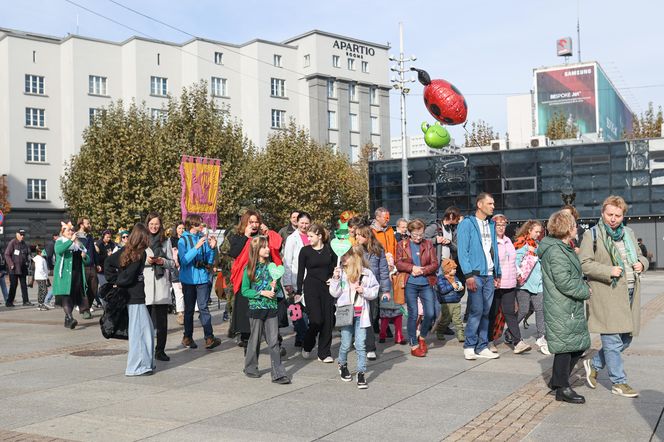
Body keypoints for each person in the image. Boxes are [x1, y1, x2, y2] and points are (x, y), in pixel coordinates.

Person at [580, 195, 649, 398]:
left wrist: (642, 263)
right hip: (607, 293)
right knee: (611, 340)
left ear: (623, 216)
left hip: (629, 293)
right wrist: (608, 270)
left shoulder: (628, 232)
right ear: (603, 213)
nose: (613, 219)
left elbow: (641, 255)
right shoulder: (592, 235)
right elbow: (584, 263)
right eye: (609, 214)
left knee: (625, 339)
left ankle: (594, 364)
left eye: (617, 215)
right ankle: (619, 382)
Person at [539, 210, 590, 404]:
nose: (577, 228)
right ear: (567, 228)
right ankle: (562, 388)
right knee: (566, 347)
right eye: (574, 225)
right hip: (562, 305)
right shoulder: (556, 251)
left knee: (575, 346)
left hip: (567, 305)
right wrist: (585, 290)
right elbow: (564, 281)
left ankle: (557, 381)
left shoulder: (562, 247)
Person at [457, 192, 502, 360]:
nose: (493, 206)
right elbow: (463, 251)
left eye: (493, 203)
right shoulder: (467, 224)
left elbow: (494, 250)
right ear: (480, 204)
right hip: (475, 275)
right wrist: (468, 274)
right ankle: (469, 345)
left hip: (489, 275)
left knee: (486, 312)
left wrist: (498, 272)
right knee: (476, 310)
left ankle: (482, 346)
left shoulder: (491, 224)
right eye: (490, 203)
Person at [105, 224, 155, 376]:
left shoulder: (127, 250)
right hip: (135, 297)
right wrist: (118, 280)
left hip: (132, 296)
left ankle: (143, 364)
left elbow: (109, 263)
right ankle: (137, 367)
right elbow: (129, 275)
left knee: (144, 331)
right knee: (141, 333)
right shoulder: (139, 253)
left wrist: (115, 280)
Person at [229, 210, 283, 347]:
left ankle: (275, 341)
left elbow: (277, 247)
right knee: (246, 311)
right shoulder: (237, 236)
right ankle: (247, 340)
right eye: (251, 222)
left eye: (256, 222)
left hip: (264, 277)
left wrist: (268, 232)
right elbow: (234, 253)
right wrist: (246, 236)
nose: (254, 224)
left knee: (268, 308)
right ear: (245, 223)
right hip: (245, 278)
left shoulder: (263, 236)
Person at [241, 236, 291, 384]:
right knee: (254, 340)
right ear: (256, 250)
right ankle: (250, 367)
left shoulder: (272, 267)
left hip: (271, 308)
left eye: (268, 246)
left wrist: (274, 286)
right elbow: (245, 290)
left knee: (274, 341)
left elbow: (275, 289)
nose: (267, 249)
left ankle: (278, 373)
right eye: (264, 247)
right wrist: (261, 293)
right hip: (256, 308)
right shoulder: (249, 268)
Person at [329, 245, 380, 389]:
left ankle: (361, 373)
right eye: (343, 255)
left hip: (361, 315)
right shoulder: (341, 273)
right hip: (346, 313)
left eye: (347, 255)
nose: (343, 258)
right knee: (345, 344)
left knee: (360, 344)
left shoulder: (367, 274)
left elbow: (374, 292)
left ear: (355, 257)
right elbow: (334, 293)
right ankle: (342, 364)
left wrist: (363, 290)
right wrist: (335, 278)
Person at [178, 213, 221, 350]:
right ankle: (187, 337)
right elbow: (184, 261)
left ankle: (209, 337)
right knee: (189, 309)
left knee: (203, 307)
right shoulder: (182, 241)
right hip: (188, 279)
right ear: (192, 225)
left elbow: (209, 260)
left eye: (202, 224)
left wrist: (213, 248)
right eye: (199, 224)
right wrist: (196, 247)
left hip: (202, 277)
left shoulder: (203, 239)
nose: (202, 226)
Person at [396, 219, 438, 358]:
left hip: (426, 282)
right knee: (413, 313)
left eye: (421, 234)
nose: (418, 237)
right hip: (410, 283)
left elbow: (434, 264)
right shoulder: (402, 244)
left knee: (431, 313)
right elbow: (398, 263)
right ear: (409, 233)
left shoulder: (429, 244)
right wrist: (411, 268)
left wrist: (423, 270)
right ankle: (413, 344)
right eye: (415, 234)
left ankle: (423, 337)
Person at [491, 215, 530, 354]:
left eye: (503, 225)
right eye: (498, 225)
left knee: (510, 313)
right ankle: (489, 341)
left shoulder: (508, 241)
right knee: (493, 313)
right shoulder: (491, 242)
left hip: (509, 283)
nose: (501, 228)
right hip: (496, 283)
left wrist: (518, 272)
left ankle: (518, 342)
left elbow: (512, 261)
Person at [298, 224, 337, 362]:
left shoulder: (329, 250)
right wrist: (298, 291)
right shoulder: (305, 251)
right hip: (311, 287)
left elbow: (334, 268)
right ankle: (307, 345)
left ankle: (324, 353)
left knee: (328, 321)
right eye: (307, 236)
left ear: (319, 236)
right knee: (316, 320)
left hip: (326, 288)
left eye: (311, 236)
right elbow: (301, 272)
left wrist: (334, 278)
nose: (308, 238)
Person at [144, 212, 176, 362]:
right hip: (146, 285)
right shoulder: (142, 240)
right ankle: (147, 349)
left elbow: (172, 264)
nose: (154, 226)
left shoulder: (166, 241)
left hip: (161, 283)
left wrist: (162, 261)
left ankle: (160, 350)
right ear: (147, 224)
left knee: (162, 322)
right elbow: (134, 259)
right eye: (151, 224)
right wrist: (147, 261)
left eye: (156, 224)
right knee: (147, 321)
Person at [355, 225, 391, 359]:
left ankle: (366, 343)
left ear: (367, 236)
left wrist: (386, 290)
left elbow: (383, 271)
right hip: (357, 289)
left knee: (371, 317)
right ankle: (369, 346)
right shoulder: (355, 250)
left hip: (372, 289)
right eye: (356, 235)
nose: (357, 237)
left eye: (360, 235)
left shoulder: (378, 250)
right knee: (362, 317)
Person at [514, 220, 549, 355]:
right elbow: (516, 261)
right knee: (523, 310)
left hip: (538, 283)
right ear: (529, 230)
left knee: (541, 310)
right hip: (524, 284)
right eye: (536, 231)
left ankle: (541, 337)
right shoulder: (522, 243)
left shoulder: (538, 245)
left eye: (540, 232)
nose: (539, 234)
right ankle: (511, 331)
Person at [52, 222, 91, 329]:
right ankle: (70, 317)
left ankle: (67, 319)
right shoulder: (60, 241)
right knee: (66, 296)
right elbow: (59, 251)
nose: (71, 232)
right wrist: (70, 240)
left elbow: (88, 259)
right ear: (63, 232)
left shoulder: (78, 244)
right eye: (68, 230)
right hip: (64, 275)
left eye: (72, 230)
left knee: (72, 298)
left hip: (77, 274)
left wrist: (84, 256)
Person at [283, 212, 312, 348]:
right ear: (297, 222)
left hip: (310, 278)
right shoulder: (292, 238)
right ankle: (301, 335)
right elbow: (287, 261)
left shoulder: (312, 236)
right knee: (296, 309)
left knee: (305, 310)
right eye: (302, 223)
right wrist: (287, 282)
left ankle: (302, 335)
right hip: (295, 279)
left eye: (307, 223)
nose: (304, 226)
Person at [434, 259, 465, 342]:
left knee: (457, 320)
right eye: (453, 269)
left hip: (456, 302)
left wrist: (460, 288)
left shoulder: (455, 277)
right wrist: (452, 286)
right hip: (446, 303)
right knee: (445, 320)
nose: (455, 271)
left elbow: (458, 285)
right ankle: (440, 331)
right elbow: (442, 290)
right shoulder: (441, 279)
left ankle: (460, 335)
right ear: (447, 269)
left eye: (455, 269)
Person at [76, 217, 99, 310]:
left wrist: (97, 264)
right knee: (83, 289)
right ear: (81, 225)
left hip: (92, 266)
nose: (89, 225)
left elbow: (93, 251)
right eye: (87, 223)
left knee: (94, 288)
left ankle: (87, 306)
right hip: (82, 267)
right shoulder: (76, 237)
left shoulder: (89, 236)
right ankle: (84, 308)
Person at [4, 229, 32, 306]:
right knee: (13, 285)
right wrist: (11, 264)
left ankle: (26, 301)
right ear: (17, 234)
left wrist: (29, 259)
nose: (22, 236)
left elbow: (27, 254)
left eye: (23, 235)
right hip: (14, 269)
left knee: (24, 286)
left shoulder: (24, 244)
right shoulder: (12, 243)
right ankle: (9, 302)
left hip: (22, 268)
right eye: (21, 234)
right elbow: (7, 254)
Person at [170, 222, 186, 325]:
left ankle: (186, 311)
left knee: (186, 292)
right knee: (178, 292)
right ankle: (180, 313)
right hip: (175, 269)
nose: (181, 230)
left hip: (186, 269)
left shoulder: (186, 240)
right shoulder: (171, 241)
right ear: (176, 229)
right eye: (179, 228)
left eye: (183, 228)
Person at [33, 246, 50, 311]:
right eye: (43, 251)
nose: (44, 252)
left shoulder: (40, 258)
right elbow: (40, 269)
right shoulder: (40, 259)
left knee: (41, 290)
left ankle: (40, 303)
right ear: (39, 252)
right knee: (44, 291)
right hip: (41, 277)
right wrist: (45, 276)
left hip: (39, 277)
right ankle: (40, 304)